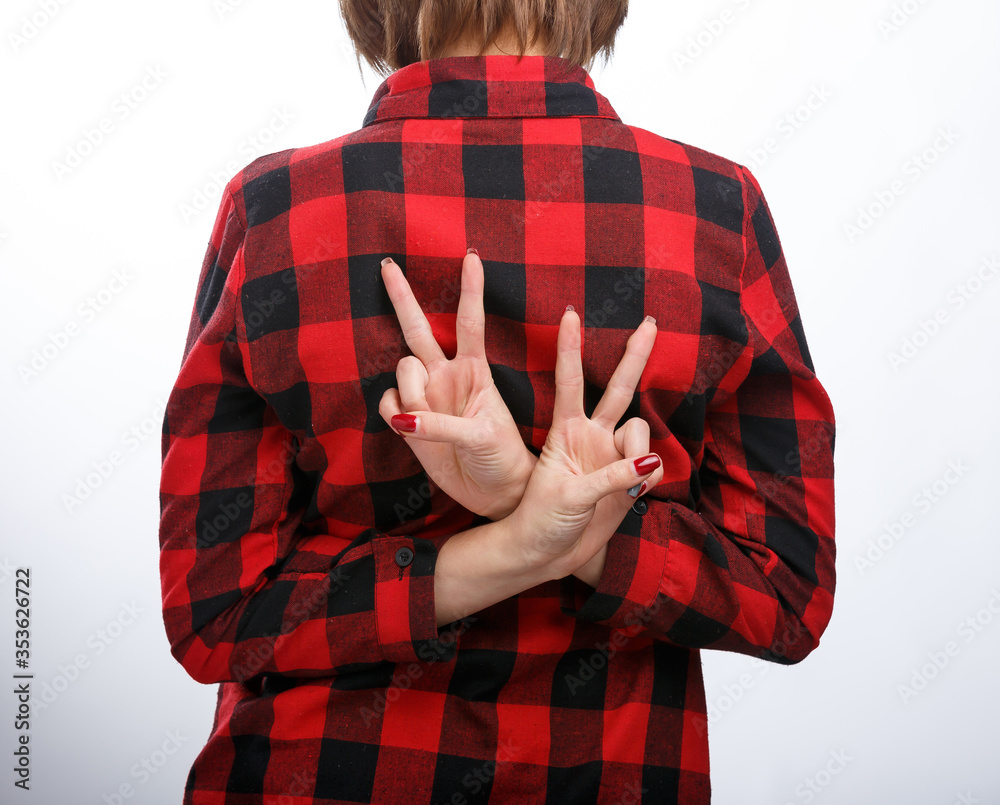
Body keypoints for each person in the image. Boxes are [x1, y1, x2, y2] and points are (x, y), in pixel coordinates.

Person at [158, 1, 836, 802]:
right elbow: (787, 594)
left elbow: (216, 613)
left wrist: (520, 517)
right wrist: (555, 529)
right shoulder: (715, 208)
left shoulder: (276, 206)